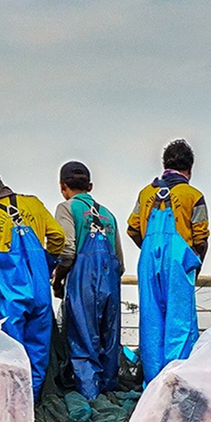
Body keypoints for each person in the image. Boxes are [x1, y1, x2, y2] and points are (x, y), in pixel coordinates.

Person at [0, 162, 67, 396]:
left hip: (10, 298)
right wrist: (46, 264)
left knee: (9, 354)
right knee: (38, 351)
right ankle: (34, 404)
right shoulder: (34, 204)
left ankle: (12, 408)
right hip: (41, 294)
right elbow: (58, 237)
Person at [127, 139, 209, 382]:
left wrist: (151, 250)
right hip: (179, 263)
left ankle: (153, 386)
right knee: (180, 323)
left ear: (164, 164)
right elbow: (201, 237)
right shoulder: (193, 195)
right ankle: (177, 384)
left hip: (148, 262)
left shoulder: (145, 193)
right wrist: (195, 264)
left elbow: (132, 229)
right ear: (190, 169)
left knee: (151, 323)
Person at [55, 160, 124, 399]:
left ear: (63, 186)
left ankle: (90, 398)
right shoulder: (109, 215)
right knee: (109, 338)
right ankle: (109, 394)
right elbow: (119, 260)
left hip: (84, 277)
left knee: (84, 338)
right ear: (90, 186)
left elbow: (67, 251)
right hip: (111, 278)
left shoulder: (67, 208)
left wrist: (58, 280)